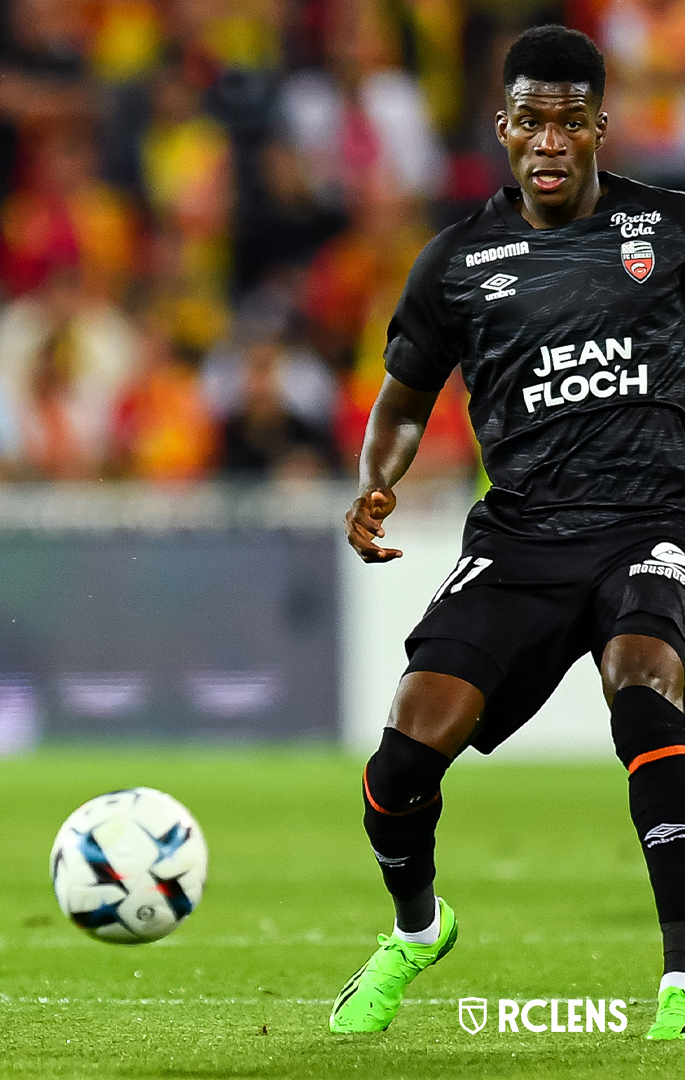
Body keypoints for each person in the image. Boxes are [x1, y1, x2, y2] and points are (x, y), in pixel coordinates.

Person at [334, 25, 685, 1039]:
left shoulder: (667, 232)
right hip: (523, 536)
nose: (549, 141)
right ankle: (415, 930)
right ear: (504, 128)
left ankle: (679, 977)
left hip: (650, 522)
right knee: (405, 751)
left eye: (570, 122)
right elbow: (403, 400)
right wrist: (376, 483)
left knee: (645, 681)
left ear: (599, 129)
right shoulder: (456, 263)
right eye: (530, 121)